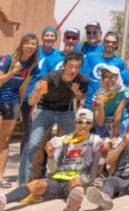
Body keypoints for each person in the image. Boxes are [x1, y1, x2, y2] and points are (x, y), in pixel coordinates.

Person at [0, 109, 103, 211]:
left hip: (77, 181)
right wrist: (50, 155)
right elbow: (54, 170)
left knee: (75, 180)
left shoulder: (95, 141)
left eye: (88, 122)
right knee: (36, 184)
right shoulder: (62, 140)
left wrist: (90, 183)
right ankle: (4, 200)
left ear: (92, 125)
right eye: (80, 122)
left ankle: (72, 205)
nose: (83, 125)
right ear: (75, 123)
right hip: (58, 180)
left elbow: (95, 165)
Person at [20, 52, 89, 185]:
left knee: (75, 142)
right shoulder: (50, 78)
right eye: (70, 66)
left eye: (77, 67)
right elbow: (31, 102)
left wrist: (77, 92)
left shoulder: (83, 80)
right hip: (45, 109)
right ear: (64, 65)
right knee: (34, 144)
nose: (73, 70)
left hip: (65, 112)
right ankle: (28, 178)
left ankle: (69, 174)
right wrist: (35, 92)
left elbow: (81, 98)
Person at [0, 33, 39, 188]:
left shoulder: (31, 65)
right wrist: (13, 72)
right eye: (27, 43)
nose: (30, 46)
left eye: (33, 44)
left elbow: (24, 87)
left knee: (4, 140)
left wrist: (20, 107)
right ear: (22, 44)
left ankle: (0, 177)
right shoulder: (8, 59)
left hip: (13, 104)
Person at [21, 27, 60, 154]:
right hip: (26, 96)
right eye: (47, 35)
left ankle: (38, 166)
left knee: (42, 133)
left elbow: (46, 79)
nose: (49, 38)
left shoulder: (56, 55)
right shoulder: (33, 50)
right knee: (28, 130)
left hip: (42, 98)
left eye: (52, 35)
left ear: (55, 38)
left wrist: (40, 99)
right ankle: (24, 162)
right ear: (42, 37)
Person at [81, 31, 125, 109]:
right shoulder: (91, 56)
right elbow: (83, 79)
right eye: (107, 42)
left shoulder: (120, 63)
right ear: (103, 42)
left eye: (113, 42)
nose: (110, 44)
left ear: (117, 45)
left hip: (108, 105)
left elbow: (119, 85)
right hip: (89, 103)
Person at [92, 65, 129, 139]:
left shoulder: (125, 92)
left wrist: (115, 136)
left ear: (118, 77)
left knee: (116, 144)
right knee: (103, 147)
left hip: (120, 121)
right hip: (102, 120)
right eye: (105, 77)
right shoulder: (97, 95)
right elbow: (99, 123)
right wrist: (100, 105)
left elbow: (118, 115)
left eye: (112, 77)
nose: (109, 80)